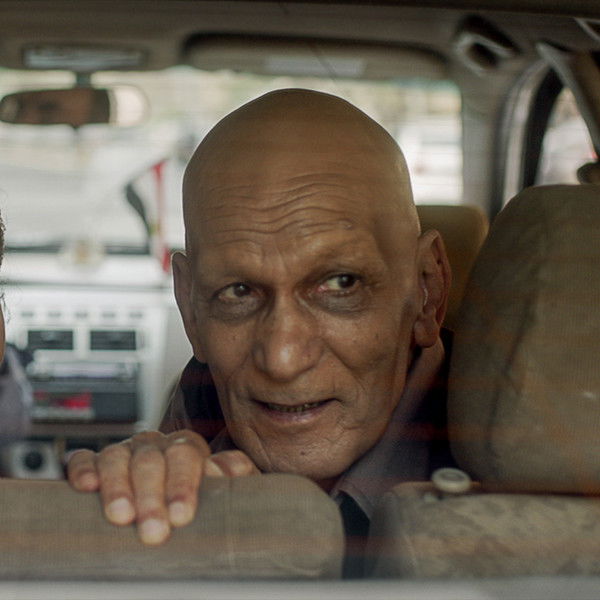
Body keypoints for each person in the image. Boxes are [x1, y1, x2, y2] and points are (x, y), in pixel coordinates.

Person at [67, 89, 454, 573]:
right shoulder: (197, 417)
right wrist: (134, 507)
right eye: (238, 292)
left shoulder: (508, 471)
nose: (282, 358)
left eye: (341, 284)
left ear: (427, 290)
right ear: (190, 308)